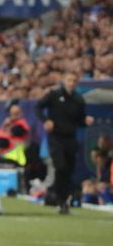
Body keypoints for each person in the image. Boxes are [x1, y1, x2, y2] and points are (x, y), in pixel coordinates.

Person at [36, 73, 94, 214]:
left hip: (70, 138)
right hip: (56, 137)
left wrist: (86, 121)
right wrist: (46, 120)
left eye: (74, 80)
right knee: (60, 166)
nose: (71, 82)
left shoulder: (79, 100)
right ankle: (58, 198)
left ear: (77, 82)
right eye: (69, 80)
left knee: (68, 170)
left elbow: (79, 120)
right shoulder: (54, 95)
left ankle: (61, 201)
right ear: (64, 81)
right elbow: (38, 107)